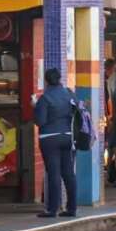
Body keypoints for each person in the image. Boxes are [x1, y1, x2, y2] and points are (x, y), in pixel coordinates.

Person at [34, 68, 78, 218]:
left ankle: (52, 209)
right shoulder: (69, 93)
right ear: (60, 79)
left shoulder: (45, 98)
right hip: (67, 136)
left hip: (49, 139)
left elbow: (40, 121)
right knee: (68, 173)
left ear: (46, 81)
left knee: (54, 173)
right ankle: (72, 208)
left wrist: (35, 106)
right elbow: (77, 111)